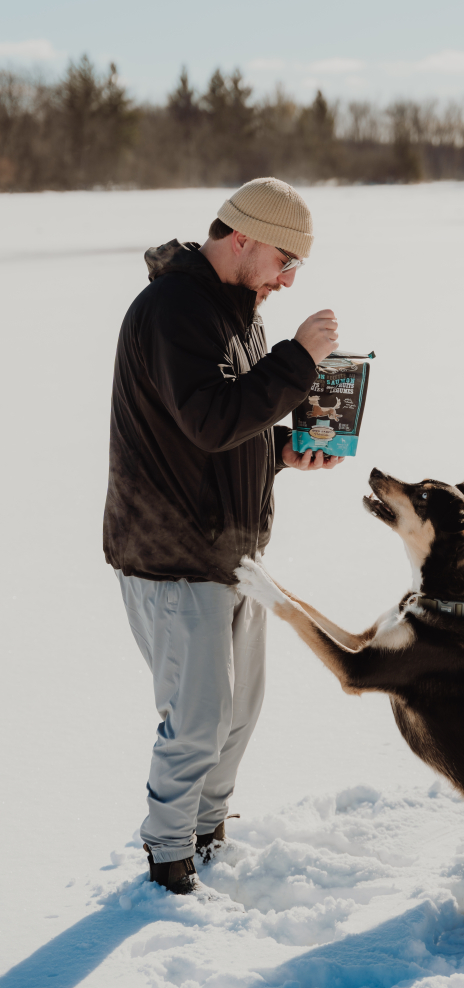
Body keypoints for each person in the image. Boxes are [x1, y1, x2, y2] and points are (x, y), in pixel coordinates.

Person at [103, 177, 341, 894]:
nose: (288, 280)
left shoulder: (236, 312)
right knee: (199, 720)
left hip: (231, 551)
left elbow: (223, 429)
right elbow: (209, 418)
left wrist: (280, 452)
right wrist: (296, 361)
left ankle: (205, 832)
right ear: (243, 239)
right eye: (283, 262)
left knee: (238, 714)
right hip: (173, 555)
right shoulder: (173, 310)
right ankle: (168, 858)